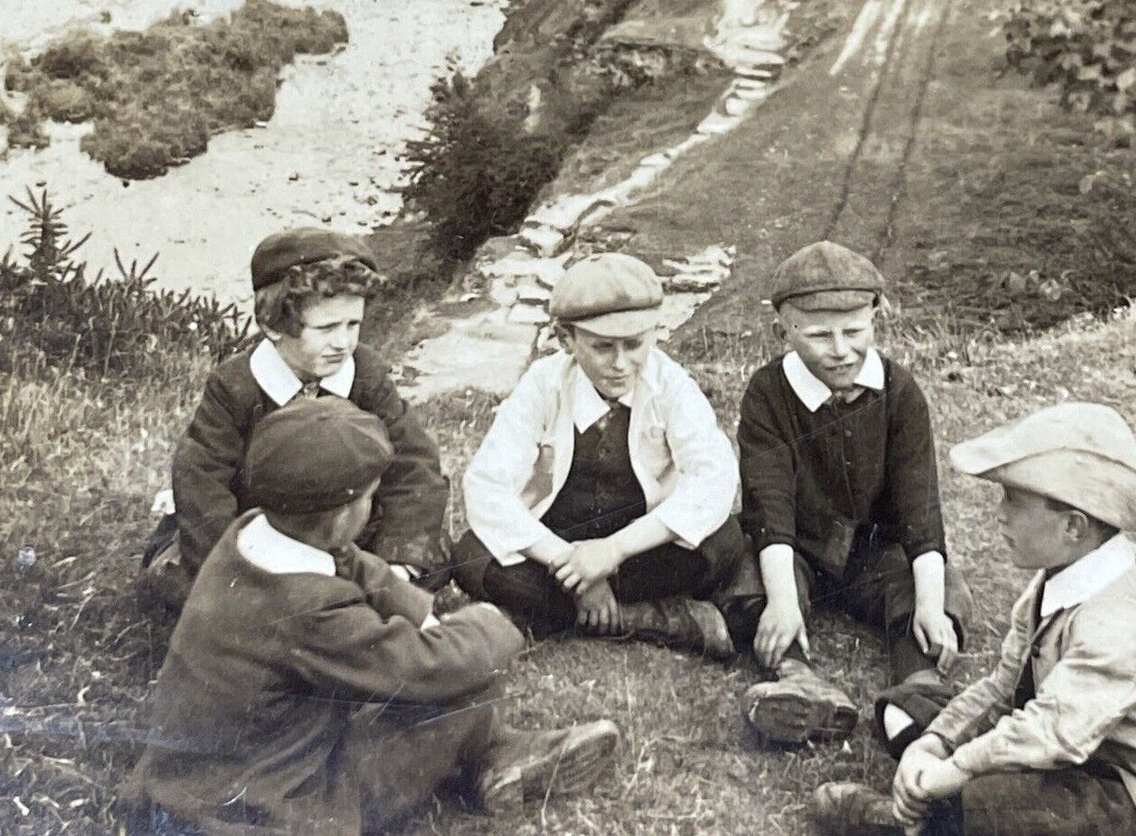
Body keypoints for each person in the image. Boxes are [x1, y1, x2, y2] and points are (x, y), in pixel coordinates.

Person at [122, 400, 620, 835]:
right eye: (370, 497)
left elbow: (354, 562)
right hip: (262, 811)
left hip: (188, 785)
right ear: (342, 515)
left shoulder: (251, 533)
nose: (374, 505)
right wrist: (488, 621)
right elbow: (426, 667)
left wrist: (414, 608)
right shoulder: (309, 609)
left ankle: (500, 756)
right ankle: (496, 756)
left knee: (454, 671)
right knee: (460, 681)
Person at [811, 401, 1136, 836]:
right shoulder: (1059, 578)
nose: (999, 514)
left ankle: (906, 818)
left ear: (1073, 527)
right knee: (906, 708)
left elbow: (1052, 732)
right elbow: (1005, 687)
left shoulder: (1125, 623)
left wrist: (952, 770)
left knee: (992, 801)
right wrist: (937, 743)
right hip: (1084, 751)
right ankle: (932, 803)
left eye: (1013, 500)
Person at [717, 242, 972, 748]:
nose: (840, 349)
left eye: (855, 331)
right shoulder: (767, 395)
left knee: (942, 591)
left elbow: (920, 509)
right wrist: (784, 602)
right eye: (818, 335)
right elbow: (769, 505)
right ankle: (797, 680)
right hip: (798, 550)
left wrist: (928, 603)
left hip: (875, 554)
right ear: (782, 333)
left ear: (875, 320)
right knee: (749, 581)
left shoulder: (901, 393)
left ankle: (919, 688)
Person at [451, 251, 744, 659]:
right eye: (603, 347)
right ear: (566, 340)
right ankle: (649, 619)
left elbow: (712, 479)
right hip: (557, 550)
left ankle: (550, 616)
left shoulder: (671, 385)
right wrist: (575, 569)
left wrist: (613, 552)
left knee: (723, 541)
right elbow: (486, 486)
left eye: (635, 344)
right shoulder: (543, 384)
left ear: (654, 333)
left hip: (638, 552)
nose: (621, 364)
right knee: (471, 556)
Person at [141, 228, 449, 610]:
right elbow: (203, 482)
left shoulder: (366, 375)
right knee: (182, 583)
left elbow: (415, 466)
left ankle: (342, 599)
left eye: (353, 324)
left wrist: (397, 565)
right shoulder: (236, 385)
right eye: (326, 328)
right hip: (255, 535)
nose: (344, 343)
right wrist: (238, 571)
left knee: (424, 560)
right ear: (273, 326)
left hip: (343, 532)